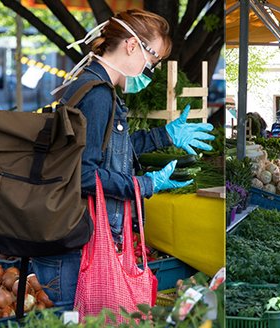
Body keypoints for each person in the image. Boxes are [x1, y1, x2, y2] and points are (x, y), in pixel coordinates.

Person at [32, 9, 214, 307]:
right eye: (152, 60)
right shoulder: (98, 95)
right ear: (131, 45)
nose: (150, 70)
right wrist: (142, 185)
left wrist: (164, 136)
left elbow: (108, 150)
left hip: (68, 235)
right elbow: (86, 175)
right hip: (75, 241)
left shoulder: (91, 85)